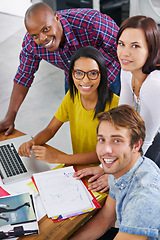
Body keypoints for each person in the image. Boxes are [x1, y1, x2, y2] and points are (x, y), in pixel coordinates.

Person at [0, 2, 120, 137]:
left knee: (110, 129)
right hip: (74, 80)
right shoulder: (31, 43)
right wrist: (10, 116)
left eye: (46, 29)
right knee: (81, 129)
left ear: (57, 18)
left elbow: (126, 56)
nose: (43, 38)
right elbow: (24, 76)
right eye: (35, 35)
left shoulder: (93, 24)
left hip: (109, 77)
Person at [74, 15, 160, 191]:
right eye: (121, 44)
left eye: (135, 46)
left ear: (150, 49)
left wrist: (113, 176)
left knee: (144, 184)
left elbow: (144, 140)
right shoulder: (127, 70)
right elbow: (122, 119)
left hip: (155, 137)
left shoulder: (153, 85)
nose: (124, 53)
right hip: (152, 135)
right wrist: (102, 167)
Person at [70, 105, 160, 240]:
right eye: (101, 140)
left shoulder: (144, 196)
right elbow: (105, 218)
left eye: (117, 141)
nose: (107, 150)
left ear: (136, 145)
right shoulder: (122, 168)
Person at [18, 46, 119, 165]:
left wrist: (58, 158)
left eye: (92, 73)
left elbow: (106, 154)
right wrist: (32, 142)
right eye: (79, 73)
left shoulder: (116, 106)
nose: (85, 80)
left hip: (104, 172)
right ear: (72, 74)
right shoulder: (72, 96)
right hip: (79, 168)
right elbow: (50, 129)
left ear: (102, 74)